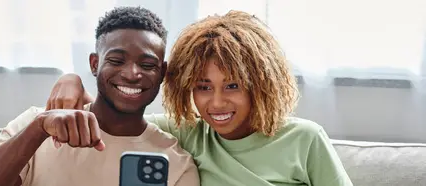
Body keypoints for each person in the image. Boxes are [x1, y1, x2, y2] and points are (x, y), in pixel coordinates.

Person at [46, 10, 353, 186]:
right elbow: (117, 115)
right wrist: (71, 81)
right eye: (203, 87)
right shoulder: (189, 133)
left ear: (259, 84)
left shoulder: (305, 140)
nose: (216, 104)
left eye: (232, 86)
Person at [0, 6, 199, 186]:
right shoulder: (39, 124)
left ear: (162, 73)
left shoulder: (176, 163)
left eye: (147, 65)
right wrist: (39, 128)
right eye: (116, 60)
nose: (132, 74)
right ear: (95, 64)